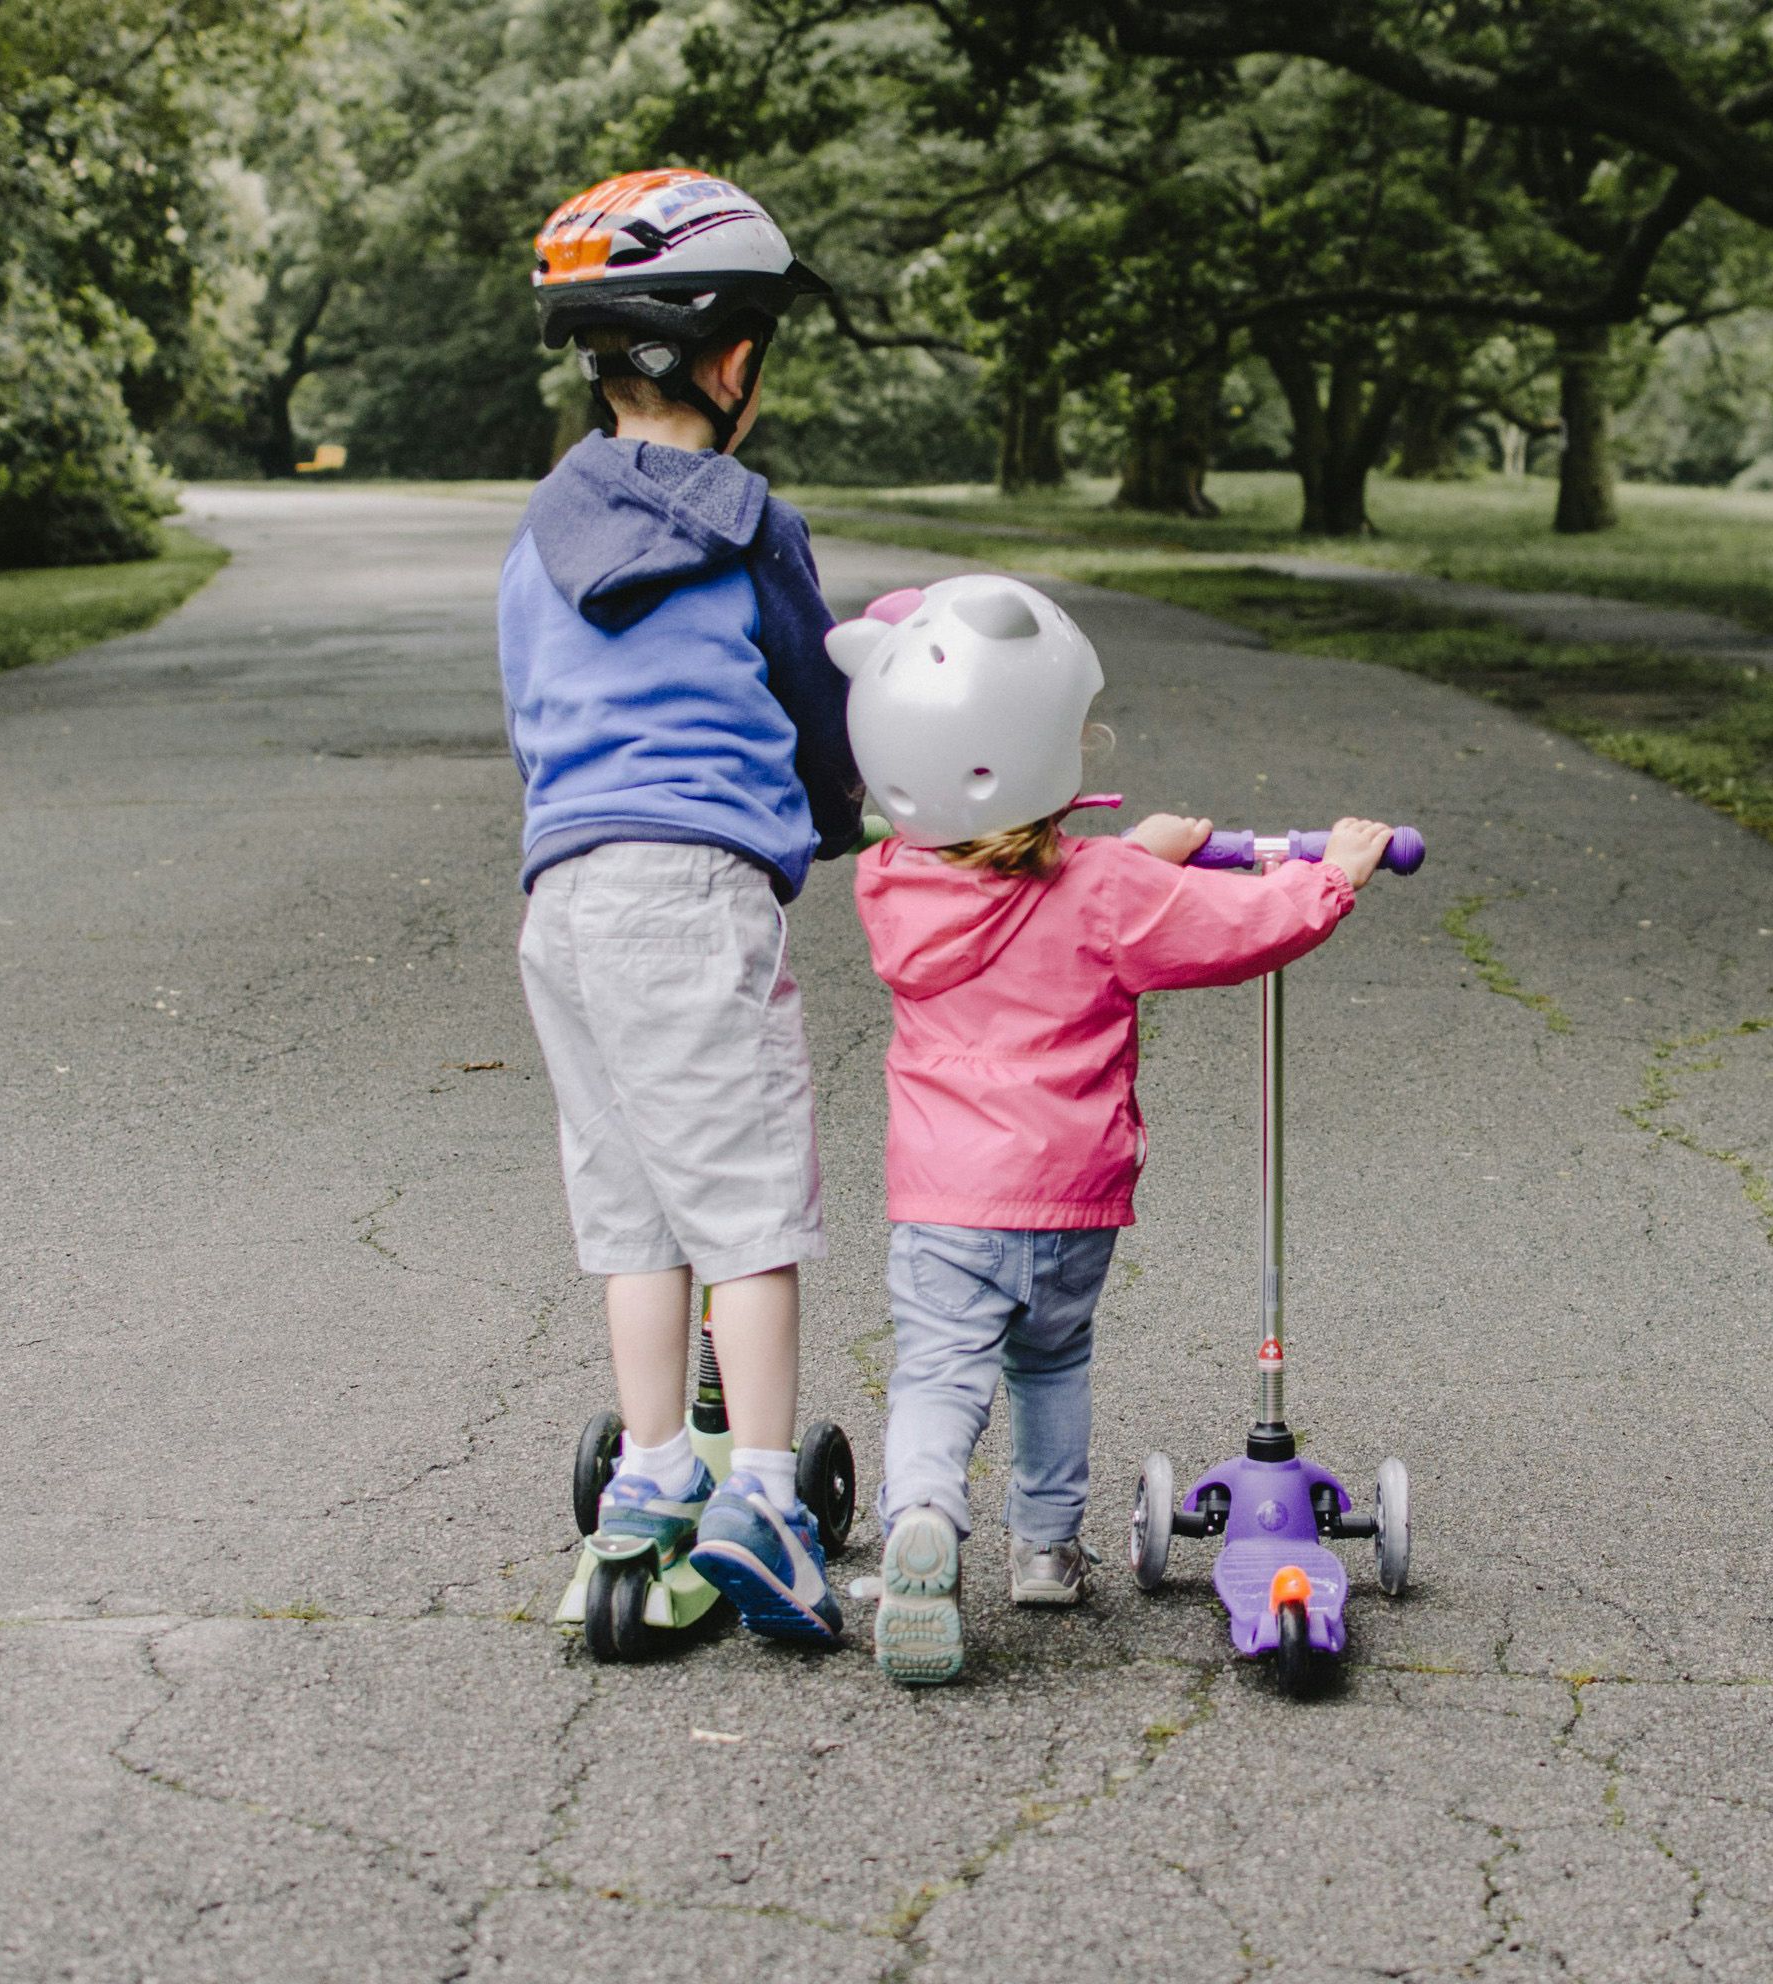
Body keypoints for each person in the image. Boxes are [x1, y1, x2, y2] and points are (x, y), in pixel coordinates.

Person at [831, 574, 1391, 1684]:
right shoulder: (1105, 890)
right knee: (1053, 1362)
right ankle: (1043, 1551)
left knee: (940, 1373)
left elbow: (1014, 877)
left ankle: (924, 1519)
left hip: (944, 1197)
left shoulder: (892, 883)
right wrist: (1332, 875)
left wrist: (1137, 849)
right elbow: (1235, 927)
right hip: (1068, 1196)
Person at [501, 168, 859, 1645]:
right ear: (730, 363)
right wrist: (843, 818)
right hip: (691, 895)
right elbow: (816, 694)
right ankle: (765, 1495)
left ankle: (650, 1476)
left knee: (633, 1208)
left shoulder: (537, 533)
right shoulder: (748, 522)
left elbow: (532, 710)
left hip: (565, 899)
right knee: (749, 1206)